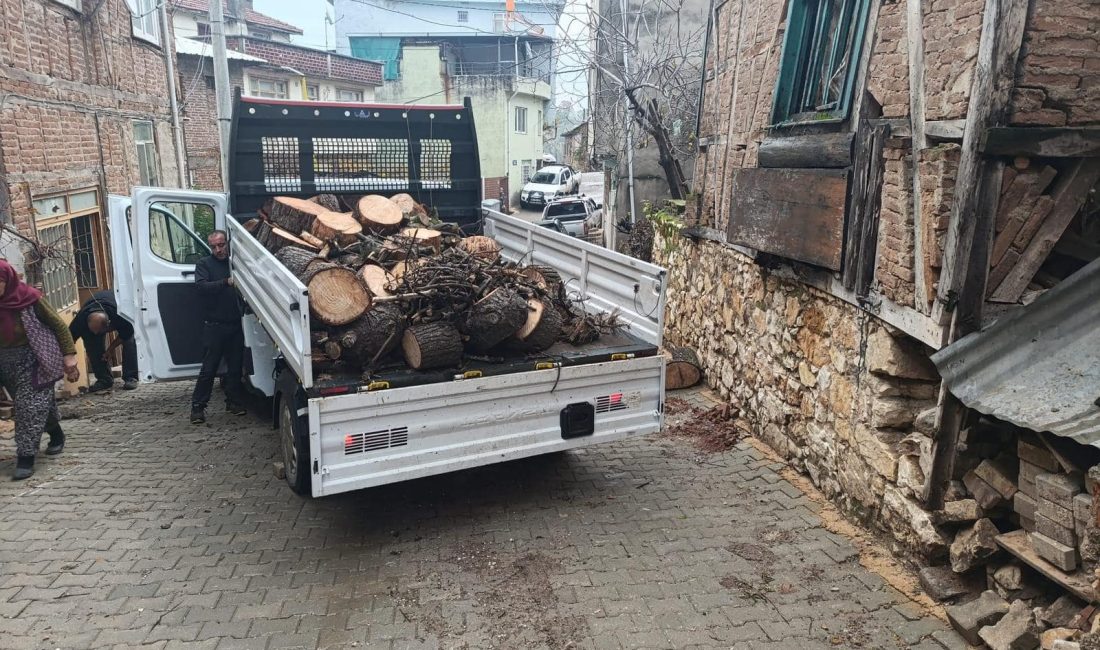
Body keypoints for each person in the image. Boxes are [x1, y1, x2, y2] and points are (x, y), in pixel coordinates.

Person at [0, 261, 80, 480]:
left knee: (28, 407)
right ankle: (56, 434)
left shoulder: (30, 298)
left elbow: (59, 325)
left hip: (35, 358)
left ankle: (25, 458)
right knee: (36, 406)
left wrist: (69, 355)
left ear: (8, 280)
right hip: (5, 364)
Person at [190, 230, 247, 424]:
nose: (218, 250)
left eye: (221, 245)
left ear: (227, 243)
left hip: (235, 324)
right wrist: (225, 282)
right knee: (209, 369)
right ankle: (198, 408)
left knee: (235, 367)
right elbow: (201, 287)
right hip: (214, 326)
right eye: (213, 246)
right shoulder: (204, 264)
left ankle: (233, 402)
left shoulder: (235, 263)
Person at [69, 290, 138, 392]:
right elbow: (68, 341)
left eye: (99, 331)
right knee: (93, 346)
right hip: (91, 321)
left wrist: (110, 349)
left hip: (115, 306)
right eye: (94, 330)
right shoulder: (80, 320)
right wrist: (70, 363)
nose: (96, 334)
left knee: (129, 342)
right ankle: (104, 380)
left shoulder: (119, 314)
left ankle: (131, 377)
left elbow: (126, 334)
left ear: (109, 324)